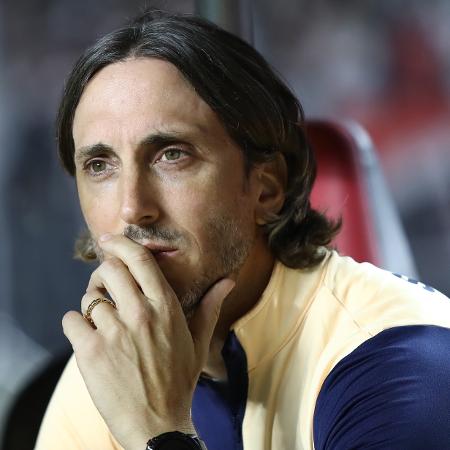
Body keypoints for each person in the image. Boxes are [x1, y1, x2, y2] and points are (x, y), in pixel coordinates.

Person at [35, 10, 450, 450]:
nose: (132, 208)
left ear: (266, 187)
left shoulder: (403, 366)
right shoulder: (107, 367)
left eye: (172, 155)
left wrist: (157, 433)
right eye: (100, 166)